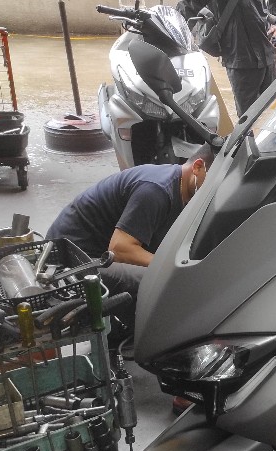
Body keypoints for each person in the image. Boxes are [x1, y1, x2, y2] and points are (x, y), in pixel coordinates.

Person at [45, 143, 215, 348]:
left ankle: (129, 333)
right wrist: (172, 267)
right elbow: (119, 249)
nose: (214, 192)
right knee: (161, 280)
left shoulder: (179, 187)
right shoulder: (156, 190)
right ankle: (152, 344)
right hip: (71, 263)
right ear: (197, 167)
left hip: (96, 254)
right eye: (214, 183)